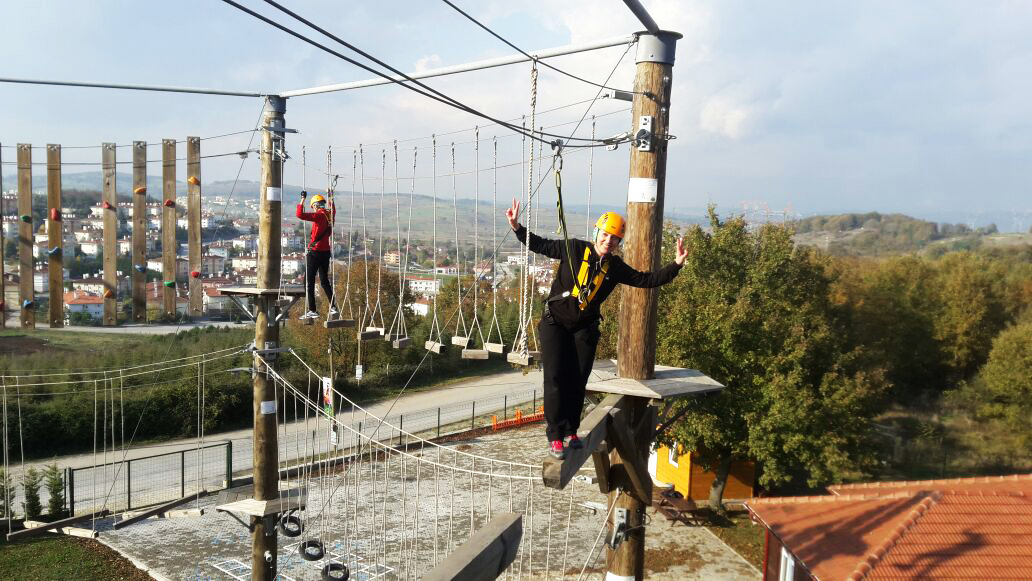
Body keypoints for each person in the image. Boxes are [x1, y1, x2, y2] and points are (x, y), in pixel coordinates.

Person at [505, 199, 689, 459]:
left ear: (618, 243)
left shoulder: (614, 268)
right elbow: (542, 245)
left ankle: (570, 430)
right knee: (556, 379)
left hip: (584, 328)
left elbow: (646, 280)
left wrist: (676, 265)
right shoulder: (574, 249)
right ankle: (556, 435)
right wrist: (517, 227)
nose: (609, 241)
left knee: (578, 379)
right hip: (555, 323)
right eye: (605, 235)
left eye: (615, 239)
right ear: (596, 234)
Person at [297, 191, 338, 320]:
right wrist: (330, 196)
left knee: (308, 282)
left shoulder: (319, 215)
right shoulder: (330, 215)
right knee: (325, 281)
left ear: (315, 205)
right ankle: (333, 307)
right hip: (325, 253)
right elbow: (333, 207)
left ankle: (312, 310)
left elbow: (300, 214)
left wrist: (302, 199)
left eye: (313, 206)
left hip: (315, 253)